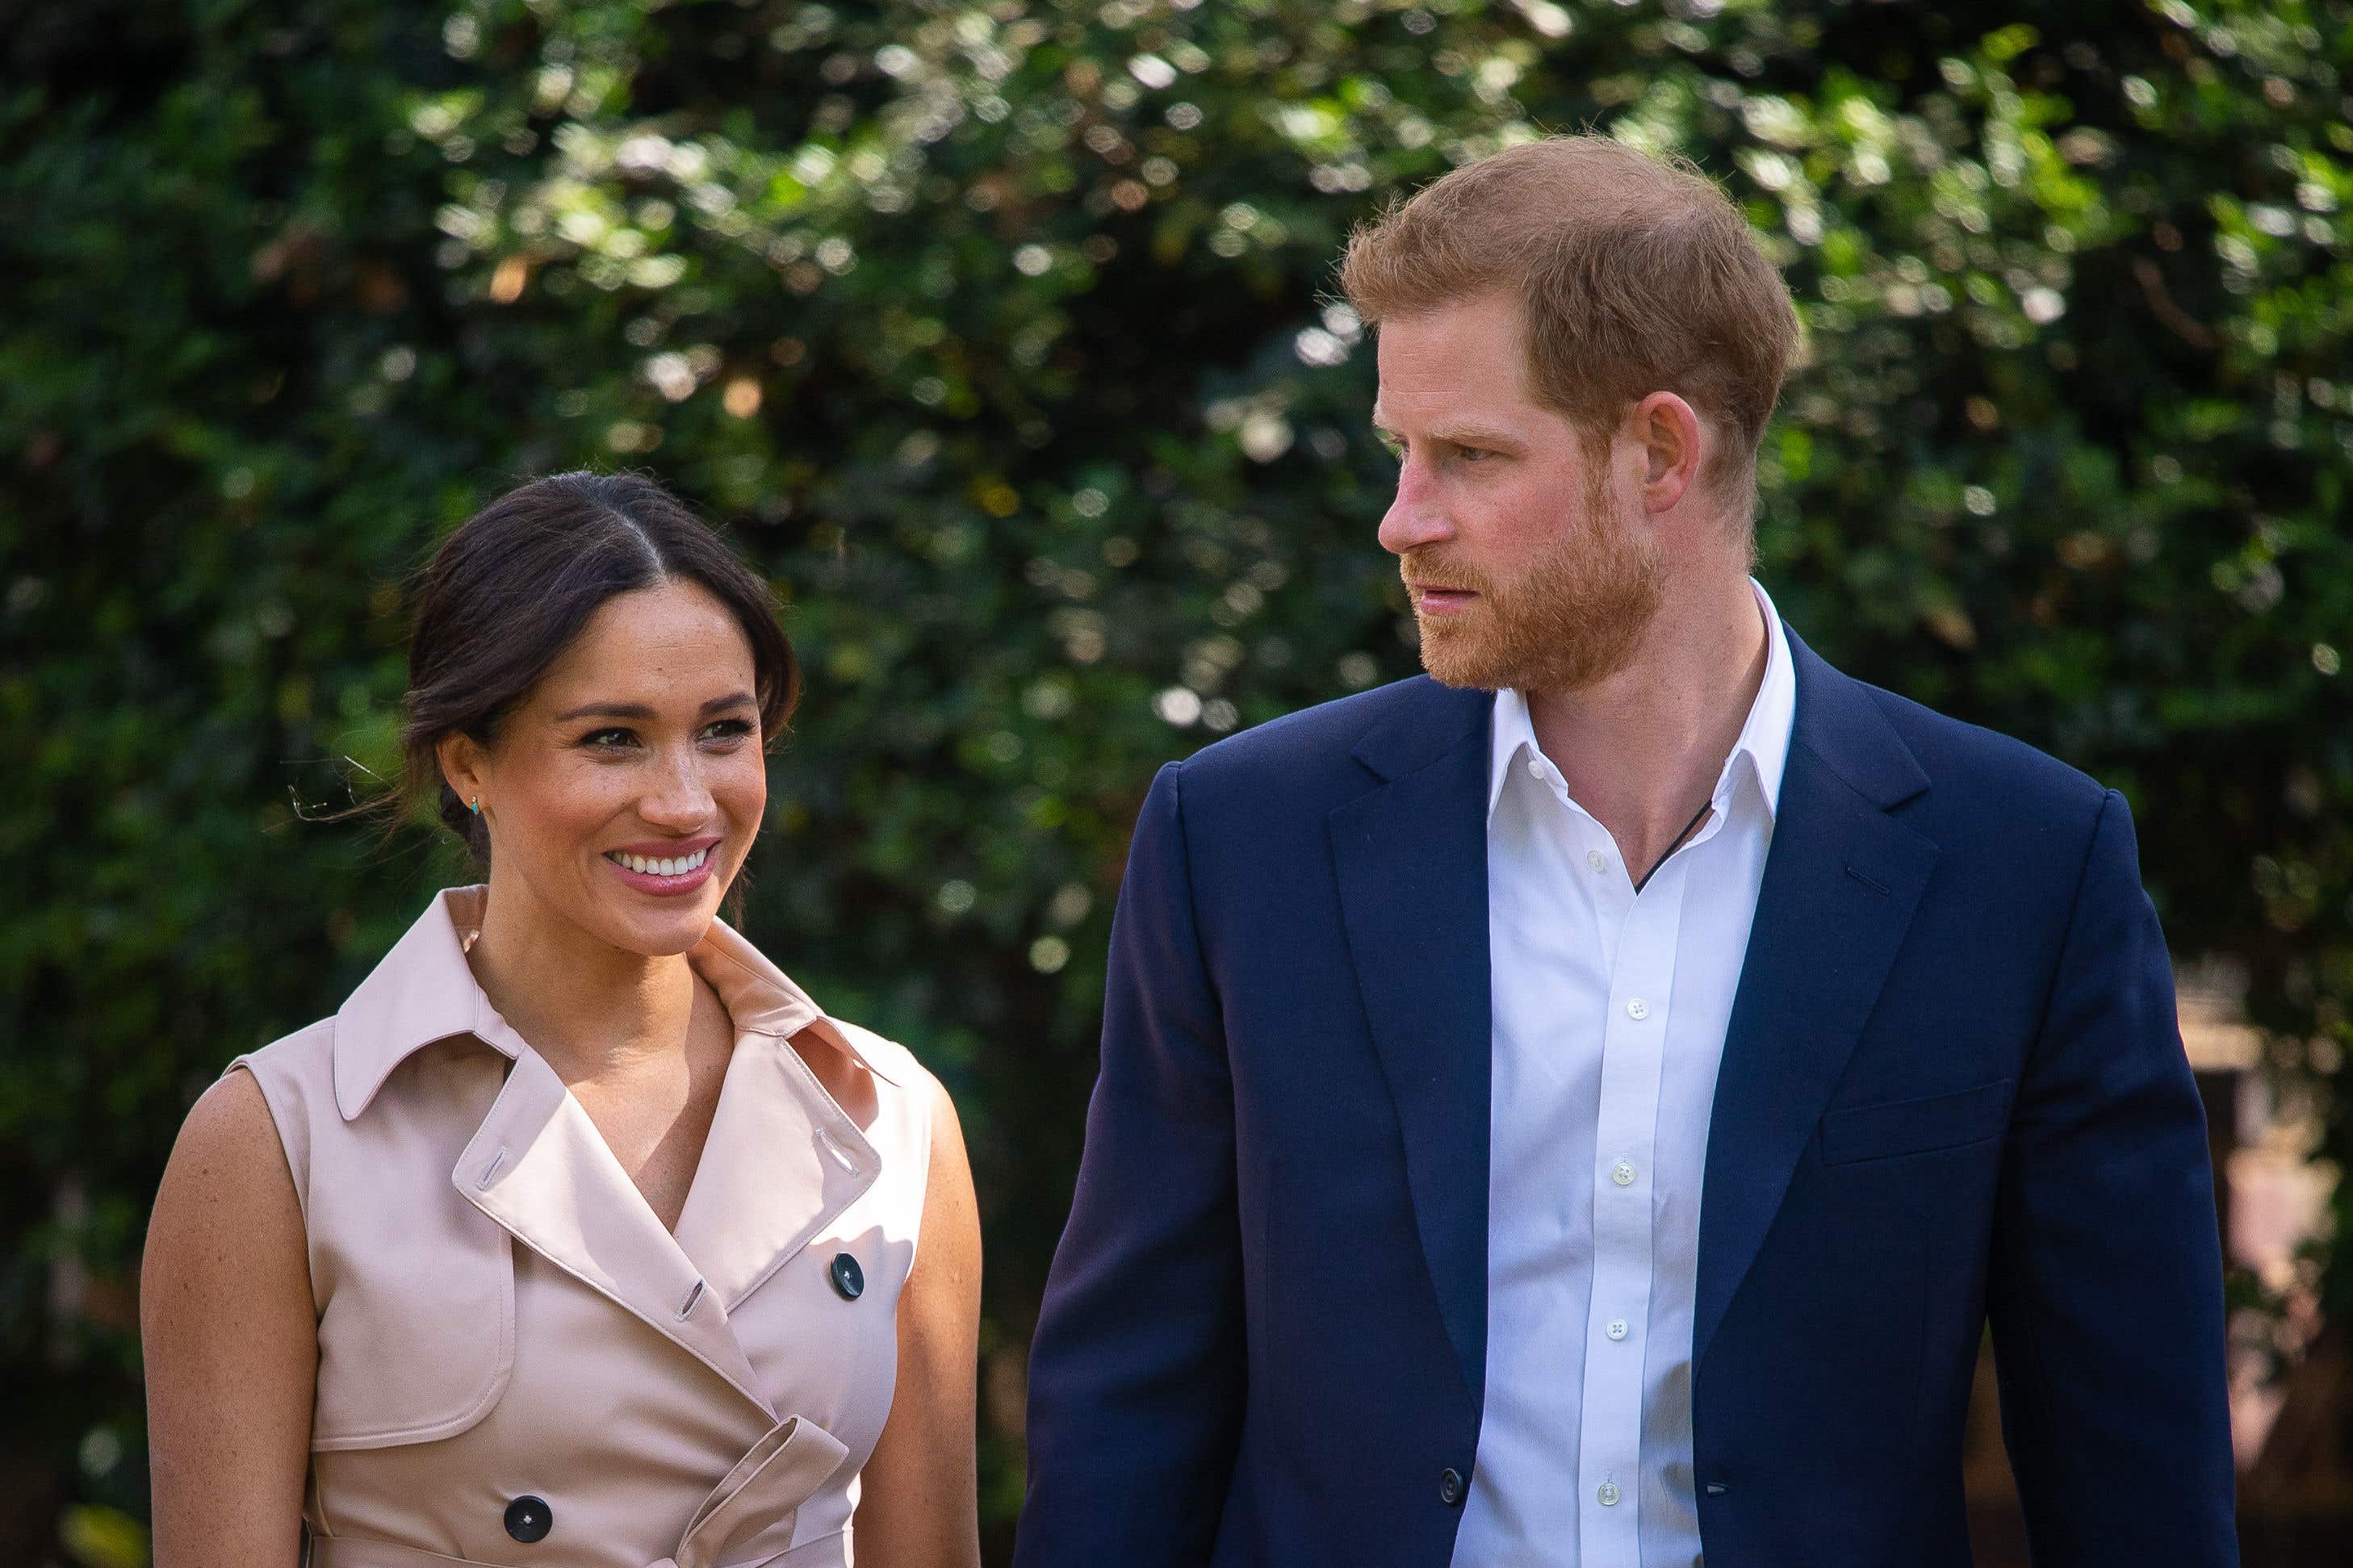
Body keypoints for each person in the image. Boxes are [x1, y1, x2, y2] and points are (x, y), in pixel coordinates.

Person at [1015, 138, 2236, 1566]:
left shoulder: (2022, 865)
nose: (1403, 518)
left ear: (1661, 450)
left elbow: (2130, 1457)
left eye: (1468, 453)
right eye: (1400, 451)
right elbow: (1128, 1405)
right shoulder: (1241, 838)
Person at [141, 472, 982, 1568]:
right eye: (612, 739)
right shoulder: (278, 1140)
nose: (685, 801)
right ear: (468, 762)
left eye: (723, 731)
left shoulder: (890, 1118)